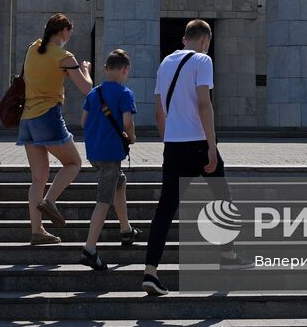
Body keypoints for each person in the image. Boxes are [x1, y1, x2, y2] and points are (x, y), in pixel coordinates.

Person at [142, 18, 246, 296]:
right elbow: (204, 103)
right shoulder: (202, 61)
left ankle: (150, 272)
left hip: (173, 145)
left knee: (165, 209)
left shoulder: (164, 64)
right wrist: (212, 146)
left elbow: (158, 113)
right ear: (205, 41)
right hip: (199, 143)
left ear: (185, 37)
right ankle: (227, 257)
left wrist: (169, 142)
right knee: (223, 200)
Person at [16, 12, 92, 245]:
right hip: (47, 117)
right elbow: (87, 88)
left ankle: (37, 231)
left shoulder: (32, 48)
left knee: (38, 178)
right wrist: (85, 68)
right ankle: (50, 201)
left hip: (26, 120)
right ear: (64, 32)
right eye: (70, 32)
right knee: (74, 163)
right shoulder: (65, 57)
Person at [77, 48, 141, 270]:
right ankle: (89, 250)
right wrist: (131, 137)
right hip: (111, 154)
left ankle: (126, 230)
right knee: (103, 200)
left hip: (94, 153)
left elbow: (83, 121)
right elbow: (126, 124)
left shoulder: (94, 93)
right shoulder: (125, 93)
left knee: (119, 182)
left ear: (105, 69)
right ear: (126, 70)